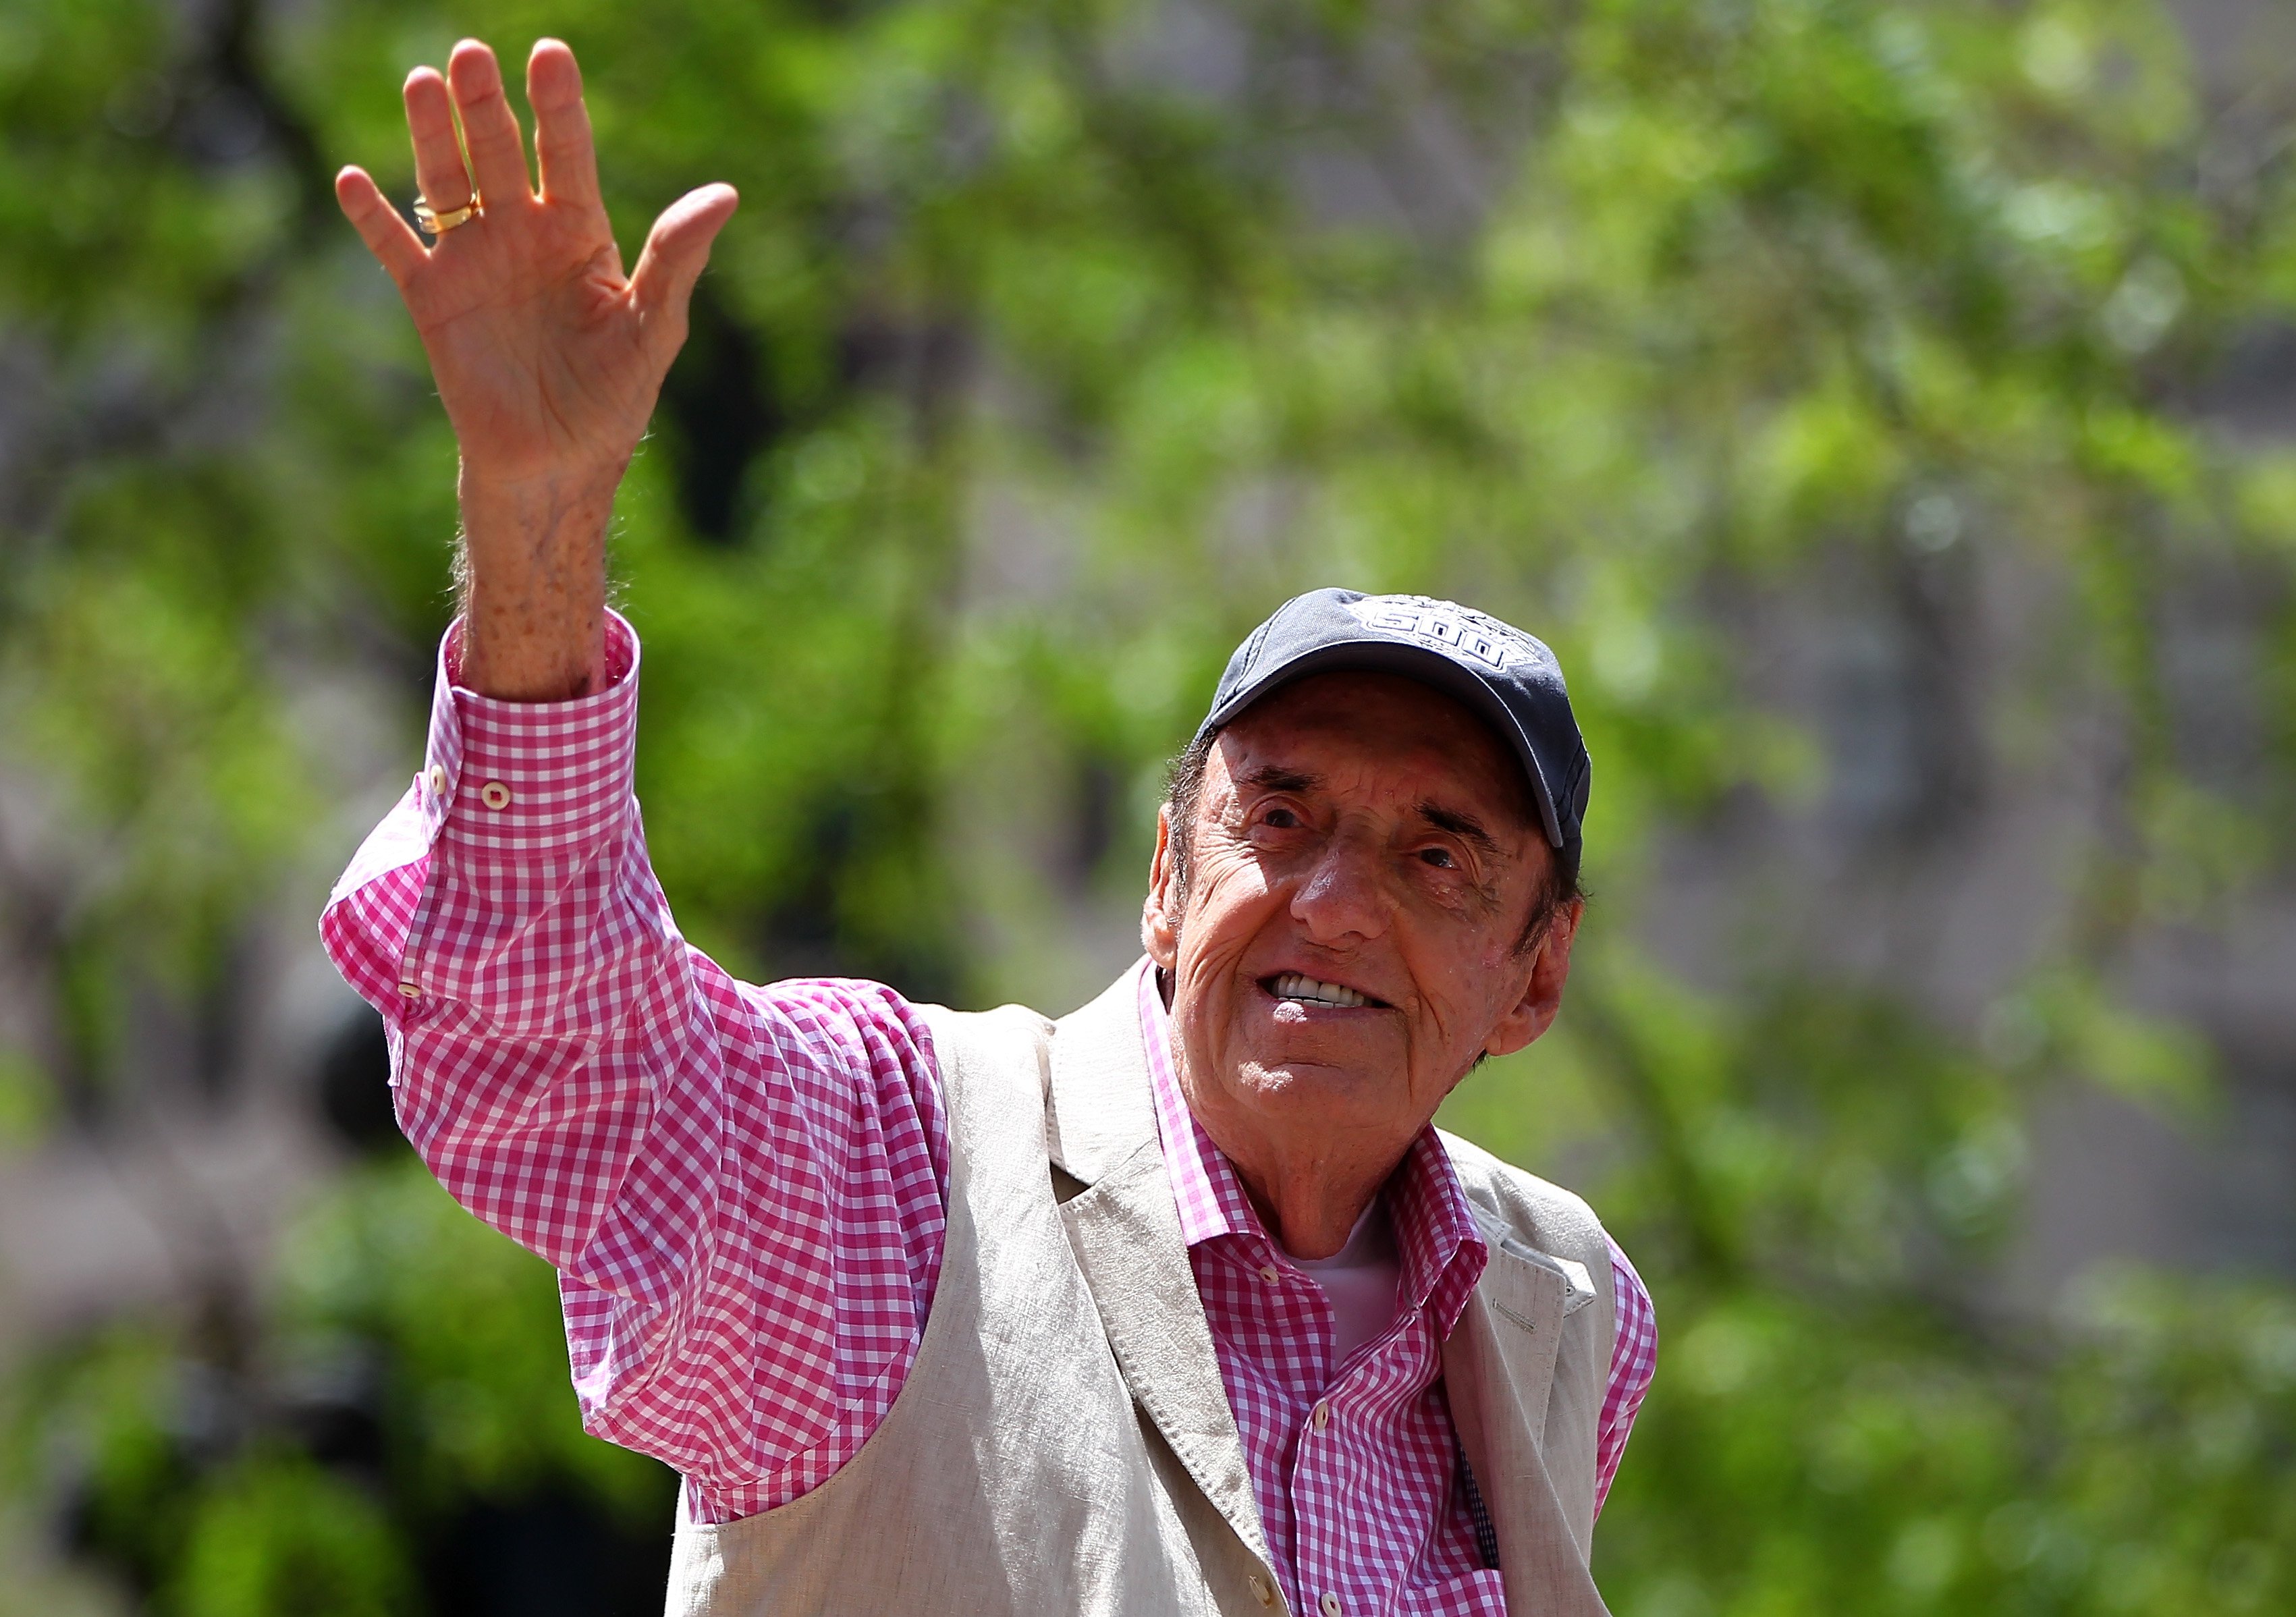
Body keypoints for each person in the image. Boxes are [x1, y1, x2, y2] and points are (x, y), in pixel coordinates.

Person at [325, 36, 1655, 1617]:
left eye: (1439, 857)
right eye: (1278, 817)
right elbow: (568, 1064)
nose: (1334, 904)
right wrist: (535, 515)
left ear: (1536, 973)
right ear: (1165, 882)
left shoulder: (1562, 1304)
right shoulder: (898, 1170)